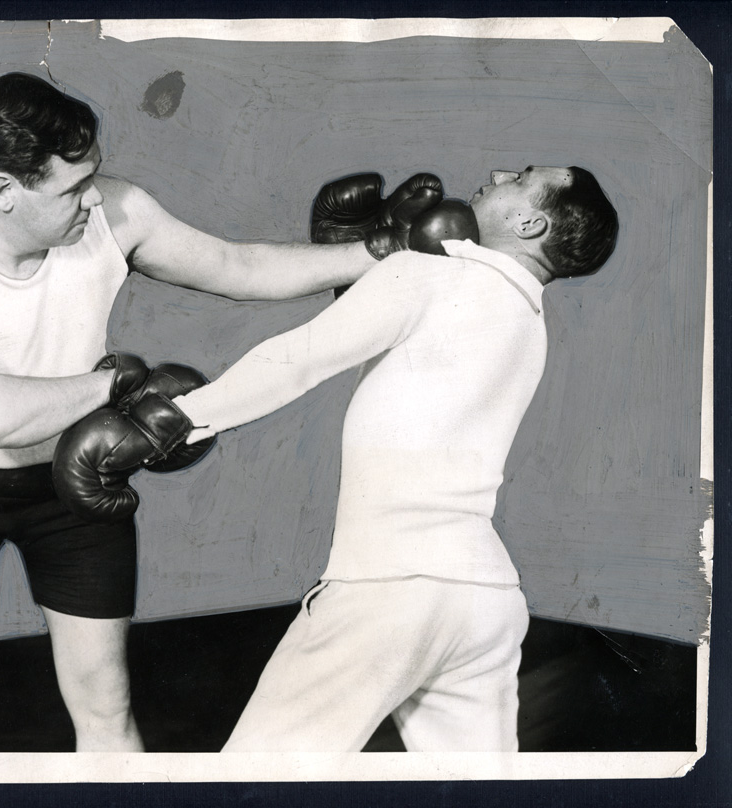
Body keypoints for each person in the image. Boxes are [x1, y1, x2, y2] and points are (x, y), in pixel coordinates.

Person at [0, 70, 385, 753]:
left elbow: (239, 266)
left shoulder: (117, 213)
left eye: (94, 177)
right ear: (4, 192)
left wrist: (377, 253)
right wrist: (113, 384)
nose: (92, 202)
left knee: (107, 705)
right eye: (71, 189)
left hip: (75, 482)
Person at [67, 164, 619, 751]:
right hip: (484, 603)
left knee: (250, 784)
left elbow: (301, 358)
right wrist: (356, 266)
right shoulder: (526, 321)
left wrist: (166, 424)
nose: (500, 172)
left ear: (529, 221)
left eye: (523, 177)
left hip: (387, 589)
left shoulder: (430, 275)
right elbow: (406, 362)